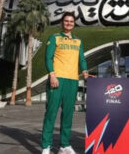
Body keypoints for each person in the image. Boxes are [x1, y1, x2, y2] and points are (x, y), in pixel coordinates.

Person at [42, 12, 93, 154]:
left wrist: (84, 71)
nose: (69, 23)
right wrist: (52, 75)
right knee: (51, 113)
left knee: (68, 114)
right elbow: (48, 58)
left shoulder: (78, 41)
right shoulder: (55, 38)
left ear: (74, 24)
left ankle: (64, 145)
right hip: (57, 80)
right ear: (62, 22)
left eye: (71, 21)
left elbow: (81, 59)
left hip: (72, 81)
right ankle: (46, 146)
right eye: (66, 21)